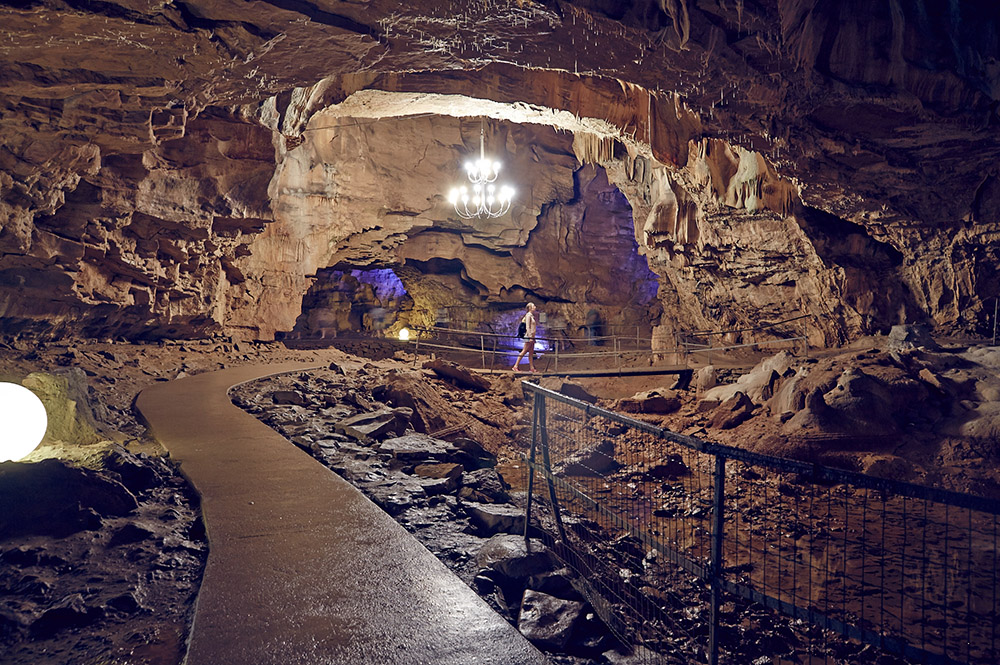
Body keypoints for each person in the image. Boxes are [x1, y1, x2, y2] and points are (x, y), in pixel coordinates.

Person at [512, 302, 538, 373]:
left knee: (531, 353)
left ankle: (532, 368)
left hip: (532, 336)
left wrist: (533, 337)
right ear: (530, 308)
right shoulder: (528, 315)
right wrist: (530, 337)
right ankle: (515, 366)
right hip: (528, 336)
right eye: (534, 306)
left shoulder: (531, 316)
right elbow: (527, 327)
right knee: (524, 351)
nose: (535, 307)